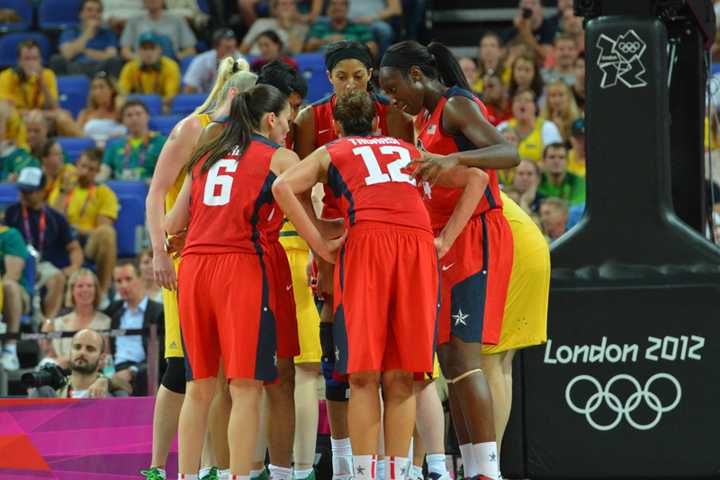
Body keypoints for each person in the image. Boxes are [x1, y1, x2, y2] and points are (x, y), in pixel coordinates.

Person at [274, 89, 488, 480]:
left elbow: (282, 187)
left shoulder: (332, 150)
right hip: (417, 246)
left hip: (368, 244)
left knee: (363, 375)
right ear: (377, 122)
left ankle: (362, 472)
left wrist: (319, 242)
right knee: (402, 374)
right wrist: (445, 240)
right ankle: (399, 471)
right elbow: (477, 176)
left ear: (336, 126)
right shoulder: (409, 149)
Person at [380, 40, 521, 480]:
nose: (391, 98)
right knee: (450, 359)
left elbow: (508, 153)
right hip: (446, 239)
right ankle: (472, 466)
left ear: (417, 76)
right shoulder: (421, 118)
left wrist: (454, 156)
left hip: (476, 234)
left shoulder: (456, 106)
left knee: (465, 357)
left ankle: (488, 471)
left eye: (394, 86)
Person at [165, 84, 299, 480]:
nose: (289, 128)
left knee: (199, 388)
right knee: (245, 387)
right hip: (240, 267)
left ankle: (188, 476)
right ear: (271, 119)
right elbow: (318, 205)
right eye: (288, 119)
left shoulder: (206, 155)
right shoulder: (281, 157)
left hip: (193, 267)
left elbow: (173, 224)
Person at [293, 39, 414, 479]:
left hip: (383, 235)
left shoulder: (395, 114)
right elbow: (299, 189)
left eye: (359, 76)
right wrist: (317, 239)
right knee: (339, 349)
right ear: (328, 78)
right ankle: (345, 457)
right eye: (341, 76)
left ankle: (409, 462)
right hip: (336, 235)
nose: (350, 84)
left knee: (396, 358)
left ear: (372, 76)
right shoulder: (310, 119)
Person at [143, 58, 256, 480]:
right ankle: (157, 466)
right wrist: (158, 252)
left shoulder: (235, 136)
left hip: (215, 257)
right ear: (234, 94)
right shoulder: (194, 128)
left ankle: (213, 465)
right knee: (182, 366)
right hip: (181, 257)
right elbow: (156, 194)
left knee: (218, 372)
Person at [257, 60, 319, 480]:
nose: (293, 116)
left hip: (295, 255)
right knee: (271, 374)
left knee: (303, 369)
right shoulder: (273, 146)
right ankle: (267, 466)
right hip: (276, 255)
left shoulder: (292, 137)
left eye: (298, 105)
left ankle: (300, 468)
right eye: (289, 107)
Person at [6, 167, 83, 320]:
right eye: (22, 190)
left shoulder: (55, 218)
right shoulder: (11, 213)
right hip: (17, 263)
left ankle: (47, 325)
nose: (23, 195)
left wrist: (73, 267)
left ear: (42, 191)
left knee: (57, 278)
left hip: (43, 265)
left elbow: (74, 248)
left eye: (29, 191)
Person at [49, 148, 119, 301]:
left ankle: (103, 293)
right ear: (76, 165)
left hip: (87, 243)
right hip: (63, 242)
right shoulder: (63, 188)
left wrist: (78, 230)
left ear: (98, 171)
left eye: (91, 169)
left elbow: (102, 228)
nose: (86, 172)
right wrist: (63, 192)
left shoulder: (104, 193)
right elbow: (52, 221)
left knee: (107, 233)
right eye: (83, 166)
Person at [106, 259, 164, 396]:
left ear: (141, 279)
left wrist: (132, 371)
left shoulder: (158, 311)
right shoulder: (114, 310)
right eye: (118, 281)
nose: (124, 285)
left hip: (142, 370)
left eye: (128, 279)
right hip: (114, 370)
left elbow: (161, 353)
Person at [0, 40, 80, 137]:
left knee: (63, 117)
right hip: (19, 119)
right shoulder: (7, 76)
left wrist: (43, 83)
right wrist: (36, 113)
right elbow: (5, 110)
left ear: (40, 60)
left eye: (35, 59)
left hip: (44, 120)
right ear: (19, 61)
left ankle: (88, 146)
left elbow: (55, 107)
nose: (31, 63)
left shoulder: (48, 74)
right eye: (27, 59)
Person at [41, 269, 111, 369]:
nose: (85, 290)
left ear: (96, 290)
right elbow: (53, 359)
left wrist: (70, 360)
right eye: (80, 286)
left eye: (89, 286)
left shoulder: (106, 322)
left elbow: (105, 358)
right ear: (72, 291)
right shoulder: (58, 323)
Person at [51, 0, 123, 78]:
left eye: (98, 11)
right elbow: (67, 54)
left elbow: (111, 56)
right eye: (89, 10)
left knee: (115, 61)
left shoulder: (108, 33)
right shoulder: (70, 31)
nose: (94, 14)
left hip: (100, 70)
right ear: (80, 14)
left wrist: (85, 51)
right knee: (56, 59)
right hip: (75, 69)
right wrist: (88, 32)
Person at [101, 100, 167, 181]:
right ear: (123, 120)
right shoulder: (115, 145)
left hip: (150, 190)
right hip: (121, 190)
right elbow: (104, 172)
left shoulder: (162, 142)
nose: (134, 118)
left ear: (147, 116)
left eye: (138, 114)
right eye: (129, 115)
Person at [118, 32, 181, 113]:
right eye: (144, 49)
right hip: (137, 109)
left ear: (160, 50)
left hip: (160, 108)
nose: (148, 53)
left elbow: (170, 97)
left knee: (167, 108)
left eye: (152, 48)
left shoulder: (171, 66)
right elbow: (121, 94)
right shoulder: (130, 67)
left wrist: (151, 104)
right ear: (139, 51)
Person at [497, 88, 562, 164]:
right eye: (518, 100)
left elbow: (554, 160)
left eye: (527, 100)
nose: (522, 104)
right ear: (512, 106)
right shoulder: (502, 127)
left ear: (535, 106)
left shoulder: (548, 127)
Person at [120, 0, 197, 61]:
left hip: (172, 63)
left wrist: (177, 57)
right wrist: (143, 59)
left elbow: (190, 49)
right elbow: (125, 51)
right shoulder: (134, 20)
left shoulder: (177, 19)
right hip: (140, 64)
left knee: (189, 60)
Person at [0, 223, 30, 371]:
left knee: (9, 286)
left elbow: (13, 274)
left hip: (14, 294)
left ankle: (9, 347)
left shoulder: (10, 235)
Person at [304, 0, 377, 57]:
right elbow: (309, 46)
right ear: (328, 8)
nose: (337, 7)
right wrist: (325, 41)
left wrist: (347, 42)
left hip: (353, 63)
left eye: (342, 4)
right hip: (323, 65)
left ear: (347, 8)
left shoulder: (358, 26)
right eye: (333, 4)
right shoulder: (320, 26)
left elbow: (372, 47)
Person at [183, 28, 247, 94]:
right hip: (205, 100)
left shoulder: (241, 61)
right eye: (227, 48)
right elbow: (188, 90)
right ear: (216, 47)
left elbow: (245, 90)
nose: (231, 52)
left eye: (233, 47)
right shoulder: (201, 61)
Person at [240, 0, 310, 56]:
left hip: (277, 67)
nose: (288, 7)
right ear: (275, 10)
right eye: (284, 4)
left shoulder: (301, 28)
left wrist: (288, 28)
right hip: (255, 61)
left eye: (291, 4)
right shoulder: (260, 23)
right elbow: (243, 49)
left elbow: (296, 53)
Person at [77, 72, 127, 147]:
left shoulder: (122, 112)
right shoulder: (85, 113)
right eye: (94, 88)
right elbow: (77, 138)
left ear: (112, 90)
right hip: (92, 152)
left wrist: (119, 105)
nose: (97, 92)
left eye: (101, 87)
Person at [537, 142, 585, 207]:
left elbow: (577, 208)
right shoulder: (536, 181)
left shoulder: (578, 182)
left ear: (568, 161)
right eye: (552, 157)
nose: (556, 161)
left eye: (561, 157)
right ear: (543, 161)